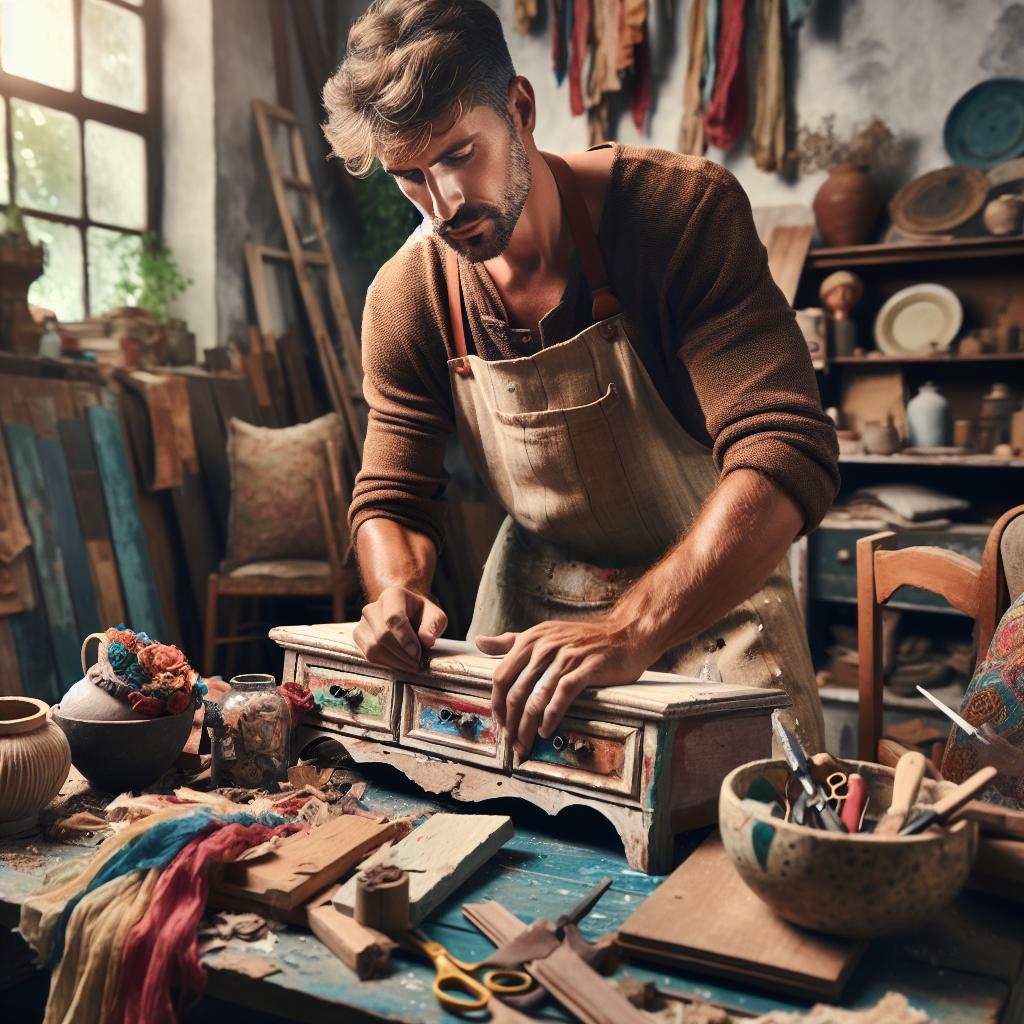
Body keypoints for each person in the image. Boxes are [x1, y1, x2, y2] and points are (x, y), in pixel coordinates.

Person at [322, 0, 839, 757]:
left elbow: (785, 451)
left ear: (520, 108)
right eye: (411, 178)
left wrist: (629, 628)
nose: (445, 204)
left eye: (462, 154)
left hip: (714, 598)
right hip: (529, 624)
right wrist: (395, 592)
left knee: (745, 831)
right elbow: (393, 498)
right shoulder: (407, 298)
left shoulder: (681, 212)